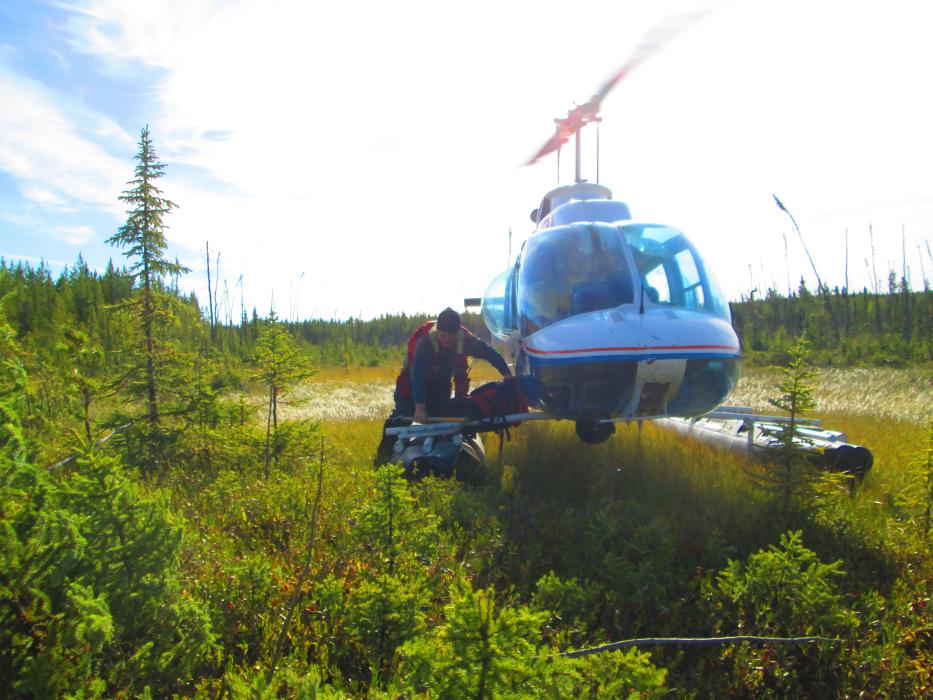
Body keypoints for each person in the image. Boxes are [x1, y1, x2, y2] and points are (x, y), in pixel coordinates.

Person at [393, 307, 512, 423]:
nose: (446, 339)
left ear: (457, 333)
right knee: (399, 421)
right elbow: (418, 375)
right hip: (410, 388)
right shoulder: (426, 342)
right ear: (437, 331)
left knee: (443, 418)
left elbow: (488, 352)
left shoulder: (466, 340)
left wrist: (507, 374)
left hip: (439, 388)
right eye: (443, 335)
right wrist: (419, 407)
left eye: (451, 335)